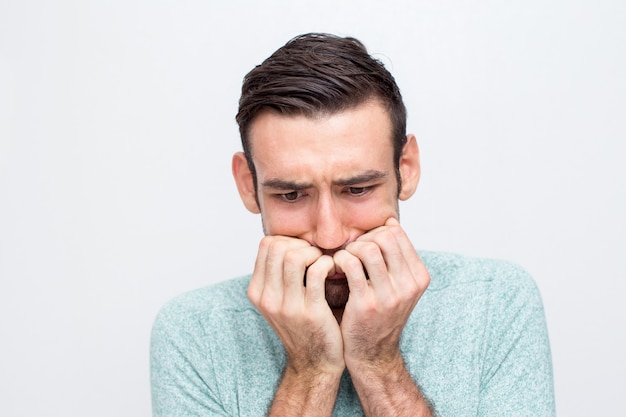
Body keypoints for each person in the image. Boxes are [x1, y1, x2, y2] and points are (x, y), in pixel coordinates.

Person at [150, 33, 555, 417]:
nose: (329, 236)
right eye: (291, 195)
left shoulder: (496, 302)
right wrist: (311, 371)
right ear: (248, 186)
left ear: (406, 169)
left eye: (357, 189)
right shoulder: (195, 331)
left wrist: (377, 362)